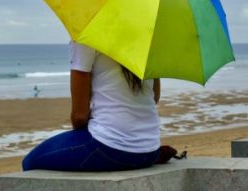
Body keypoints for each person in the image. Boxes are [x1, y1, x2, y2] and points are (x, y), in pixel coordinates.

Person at [22, 41, 161, 172]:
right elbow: (154, 97)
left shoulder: (86, 39)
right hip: (151, 149)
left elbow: (79, 117)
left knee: (29, 162)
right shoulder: (145, 38)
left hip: (109, 148)